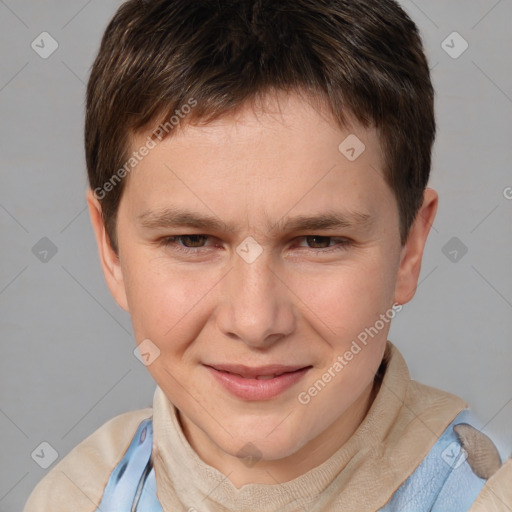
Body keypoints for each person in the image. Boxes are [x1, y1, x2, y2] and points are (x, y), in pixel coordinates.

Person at [24, 0, 511, 510]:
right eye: (192, 241)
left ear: (409, 248)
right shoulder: (76, 494)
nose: (255, 322)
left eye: (318, 242)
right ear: (111, 249)